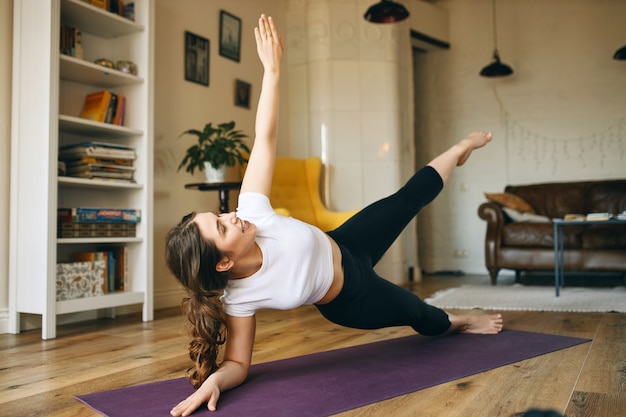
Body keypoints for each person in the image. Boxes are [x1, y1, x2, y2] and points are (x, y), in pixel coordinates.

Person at [165, 14, 503, 417]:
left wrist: (272, 71)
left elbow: (265, 137)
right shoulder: (240, 298)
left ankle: (458, 149)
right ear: (223, 261)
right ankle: (460, 321)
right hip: (350, 298)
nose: (231, 215)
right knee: (418, 313)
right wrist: (214, 381)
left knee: (407, 198)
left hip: (349, 242)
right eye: (221, 226)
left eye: (220, 213)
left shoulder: (252, 210)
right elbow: (239, 364)